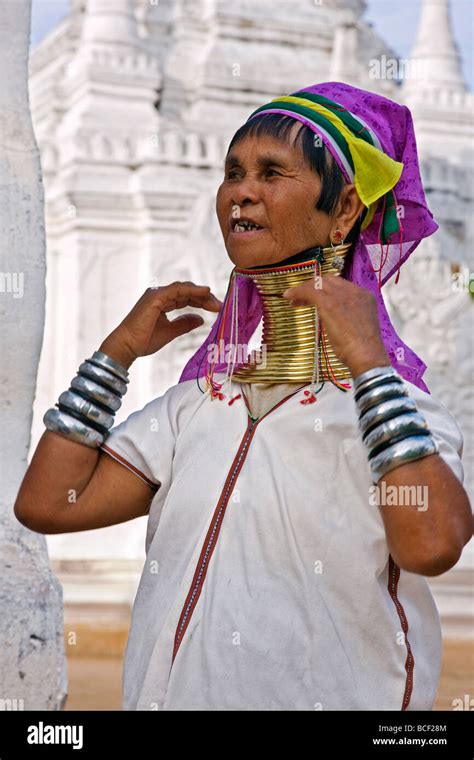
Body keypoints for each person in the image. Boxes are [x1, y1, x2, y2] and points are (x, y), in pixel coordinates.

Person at [15, 82, 472, 711]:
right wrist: (114, 355)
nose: (240, 191)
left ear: (344, 211)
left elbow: (432, 545)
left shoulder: (401, 415)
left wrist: (369, 366)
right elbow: (49, 505)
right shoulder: (197, 407)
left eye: (271, 172)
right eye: (233, 172)